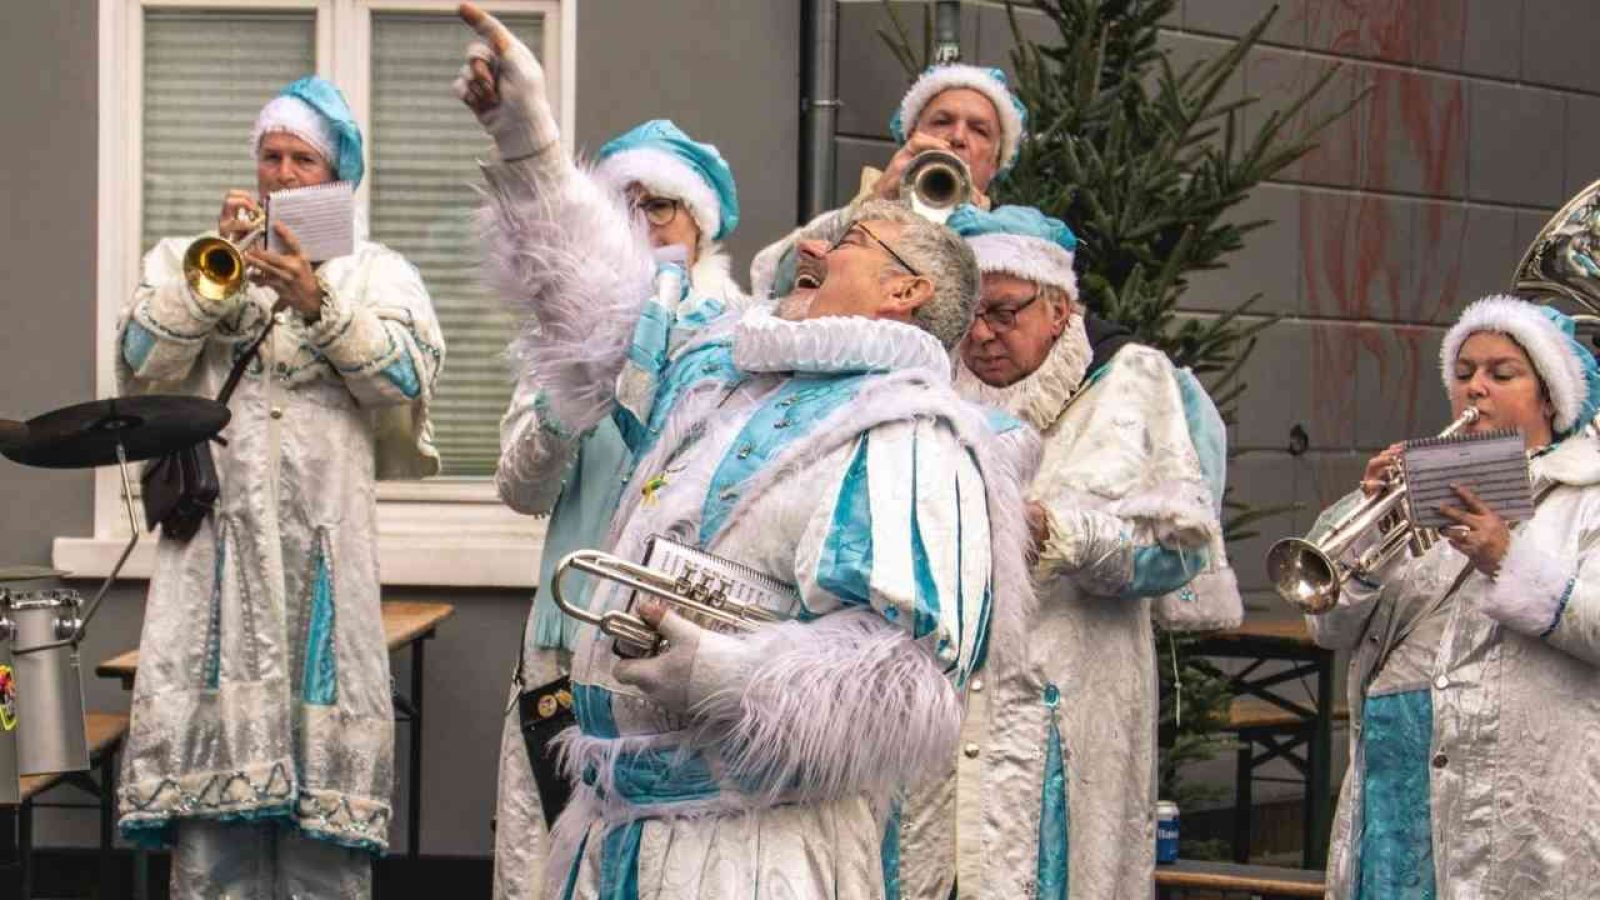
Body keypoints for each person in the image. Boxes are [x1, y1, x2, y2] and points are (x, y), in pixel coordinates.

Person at [456, 5, 1034, 896]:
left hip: (751, 855)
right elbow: (598, 307)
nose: (808, 243)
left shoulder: (914, 431)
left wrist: (722, 675)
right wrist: (529, 143)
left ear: (906, 289)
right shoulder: (725, 371)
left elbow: (906, 678)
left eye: (846, 243)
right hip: (611, 832)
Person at [114, 76, 444, 898]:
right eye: (271, 156)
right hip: (216, 556)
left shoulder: (377, 273)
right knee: (213, 840)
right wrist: (203, 286)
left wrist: (318, 300)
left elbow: (403, 378)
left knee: (322, 839)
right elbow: (136, 360)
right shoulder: (193, 256)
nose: (284, 175)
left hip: (323, 551)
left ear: (336, 179)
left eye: (303, 160)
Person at [918, 205, 1235, 899]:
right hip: (948, 716)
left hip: (1076, 704)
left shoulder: (1136, 384)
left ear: (1060, 308)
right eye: (967, 312)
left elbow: (1177, 555)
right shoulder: (931, 389)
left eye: (1003, 312)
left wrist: (1059, 534)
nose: (980, 333)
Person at [480, 116, 745, 900]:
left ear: (700, 227)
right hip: (562, 650)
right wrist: (574, 393)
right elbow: (520, 490)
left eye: (659, 206)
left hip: (665, 655)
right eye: (621, 205)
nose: (639, 223)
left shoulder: (741, 338)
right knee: (548, 867)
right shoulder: (559, 336)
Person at [1306, 294, 1600, 898]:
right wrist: (1371, 522)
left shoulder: (1588, 495)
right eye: (1463, 374)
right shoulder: (1414, 488)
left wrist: (1508, 560)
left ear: (1550, 395)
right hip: (1395, 789)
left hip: (1512, 804)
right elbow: (1327, 629)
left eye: (1502, 373)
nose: (1476, 389)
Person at [749, 62, 1027, 298]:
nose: (957, 137)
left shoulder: (1015, 247)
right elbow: (778, 287)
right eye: (942, 121)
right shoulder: (848, 218)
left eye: (979, 130)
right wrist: (874, 205)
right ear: (911, 137)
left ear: (996, 162)